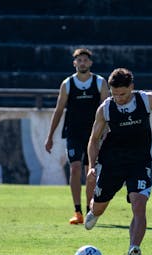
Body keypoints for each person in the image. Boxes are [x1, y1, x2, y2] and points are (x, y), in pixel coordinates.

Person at [84, 68, 152, 255]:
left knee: (139, 204)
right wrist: (92, 167)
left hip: (139, 162)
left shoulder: (146, 100)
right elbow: (93, 140)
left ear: (132, 87)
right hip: (112, 163)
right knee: (99, 208)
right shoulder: (105, 108)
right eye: (114, 94)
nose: (118, 98)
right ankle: (94, 209)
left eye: (123, 94)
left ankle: (134, 249)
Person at [44, 48, 109, 225]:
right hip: (73, 132)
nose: (82, 63)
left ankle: (90, 210)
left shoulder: (100, 82)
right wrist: (49, 136)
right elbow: (58, 111)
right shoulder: (67, 84)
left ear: (90, 63)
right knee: (74, 168)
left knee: (90, 172)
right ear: (74, 63)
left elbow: (107, 110)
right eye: (79, 60)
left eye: (85, 60)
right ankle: (77, 210)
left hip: (93, 134)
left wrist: (107, 131)